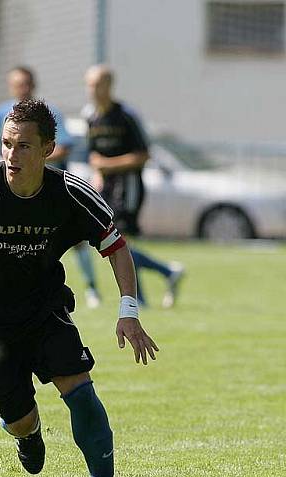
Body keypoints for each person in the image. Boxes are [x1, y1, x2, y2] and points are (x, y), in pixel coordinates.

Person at [0, 99, 158, 477]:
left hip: (44, 311)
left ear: (48, 149)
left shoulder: (69, 193)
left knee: (79, 389)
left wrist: (128, 311)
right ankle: (27, 434)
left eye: (24, 146)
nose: (12, 155)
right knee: (19, 419)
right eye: (7, 144)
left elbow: (116, 246)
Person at [0, 66, 101, 309]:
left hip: (49, 191)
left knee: (79, 240)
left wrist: (33, 161)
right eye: (17, 84)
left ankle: (91, 288)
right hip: (12, 190)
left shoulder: (48, 114)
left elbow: (65, 145)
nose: (22, 89)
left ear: (33, 85)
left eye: (26, 84)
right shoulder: (0, 114)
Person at [84, 65, 184, 308]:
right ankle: (166, 274)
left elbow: (143, 155)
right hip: (106, 187)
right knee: (115, 241)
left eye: (97, 85)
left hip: (128, 186)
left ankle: (145, 293)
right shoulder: (92, 116)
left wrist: (108, 165)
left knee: (119, 241)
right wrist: (98, 173)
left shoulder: (126, 115)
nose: (93, 90)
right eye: (89, 85)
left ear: (109, 85)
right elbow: (94, 155)